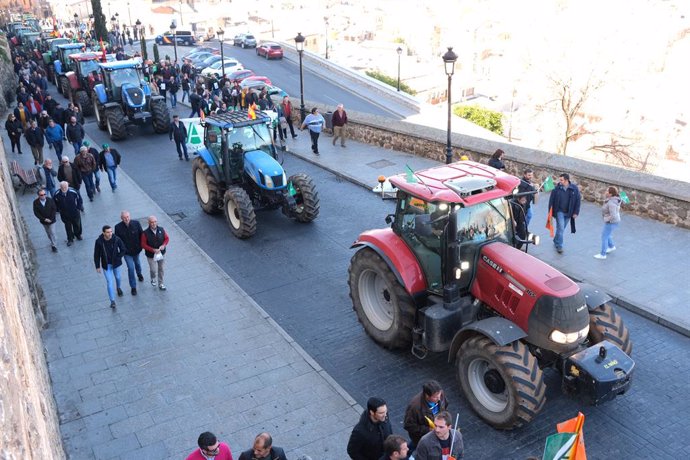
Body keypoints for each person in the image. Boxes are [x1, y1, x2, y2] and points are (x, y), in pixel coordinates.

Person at [403, 380, 449, 449]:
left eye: (440, 395)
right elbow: (408, 425)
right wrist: (428, 429)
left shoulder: (439, 394)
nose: (439, 398)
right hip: (422, 437)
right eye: (435, 397)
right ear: (427, 396)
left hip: (436, 430)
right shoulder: (415, 407)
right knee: (417, 447)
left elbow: (445, 406)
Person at [93, 225, 127, 309]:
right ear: (103, 233)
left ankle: (118, 287)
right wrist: (97, 266)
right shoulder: (99, 242)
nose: (110, 233)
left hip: (116, 263)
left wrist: (118, 257)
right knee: (109, 281)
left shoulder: (116, 239)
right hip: (106, 264)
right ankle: (112, 301)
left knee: (118, 277)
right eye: (108, 232)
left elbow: (123, 249)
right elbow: (96, 255)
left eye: (111, 231)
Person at [547, 173, 581, 254]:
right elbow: (551, 201)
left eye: (561, 180)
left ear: (566, 180)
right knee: (561, 228)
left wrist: (576, 212)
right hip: (559, 212)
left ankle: (556, 240)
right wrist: (550, 213)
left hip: (569, 212)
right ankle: (559, 246)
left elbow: (578, 201)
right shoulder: (556, 189)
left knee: (561, 229)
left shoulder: (574, 189)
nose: (560, 181)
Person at [114, 210, 145, 295]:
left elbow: (142, 235)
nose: (126, 219)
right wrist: (120, 252)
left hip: (136, 249)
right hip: (127, 252)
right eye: (124, 217)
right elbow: (117, 241)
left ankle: (139, 273)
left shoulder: (136, 223)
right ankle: (133, 287)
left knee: (137, 263)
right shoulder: (117, 227)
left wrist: (141, 246)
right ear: (121, 218)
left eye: (127, 217)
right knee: (131, 268)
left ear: (130, 216)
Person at [141, 215, 169, 291]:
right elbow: (143, 245)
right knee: (153, 269)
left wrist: (163, 245)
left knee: (161, 268)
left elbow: (166, 238)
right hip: (151, 255)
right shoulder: (145, 233)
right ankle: (153, 278)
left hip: (161, 253)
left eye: (155, 222)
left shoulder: (161, 229)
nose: (153, 224)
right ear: (149, 223)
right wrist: (153, 250)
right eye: (151, 222)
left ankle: (161, 283)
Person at [594, 186, 622, 260]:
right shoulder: (614, 199)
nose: (606, 192)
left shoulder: (611, 203)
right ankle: (611, 246)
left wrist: (606, 219)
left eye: (607, 191)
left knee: (604, 236)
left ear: (611, 194)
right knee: (607, 234)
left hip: (611, 222)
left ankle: (603, 254)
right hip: (614, 221)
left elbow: (613, 215)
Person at [53, 181, 83, 246]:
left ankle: (78, 235)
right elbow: (54, 203)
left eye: (65, 187)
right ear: (60, 187)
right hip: (64, 214)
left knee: (77, 224)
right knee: (68, 226)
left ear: (68, 186)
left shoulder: (73, 191)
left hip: (74, 212)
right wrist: (58, 210)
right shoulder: (57, 194)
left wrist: (78, 208)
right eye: (62, 187)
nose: (64, 188)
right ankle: (70, 239)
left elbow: (79, 199)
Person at [32, 188, 58, 252]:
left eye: (44, 194)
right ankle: (52, 241)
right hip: (44, 221)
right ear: (38, 195)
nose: (43, 196)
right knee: (48, 233)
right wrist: (44, 219)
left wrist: (50, 219)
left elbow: (54, 209)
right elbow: (36, 213)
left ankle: (54, 245)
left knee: (52, 232)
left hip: (52, 220)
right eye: (41, 195)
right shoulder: (35, 202)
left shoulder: (50, 200)